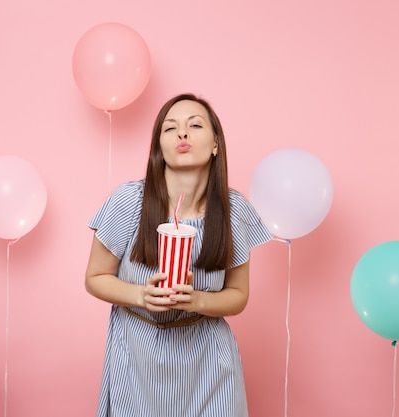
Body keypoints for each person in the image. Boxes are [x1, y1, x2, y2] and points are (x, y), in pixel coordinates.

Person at [85, 93, 272, 417]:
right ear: (159, 147)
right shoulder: (129, 202)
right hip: (137, 356)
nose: (182, 134)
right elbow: (95, 277)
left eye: (195, 125)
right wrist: (143, 295)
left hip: (208, 360)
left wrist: (195, 300)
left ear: (215, 144)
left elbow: (238, 295)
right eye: (170, 128)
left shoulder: (233, 210)